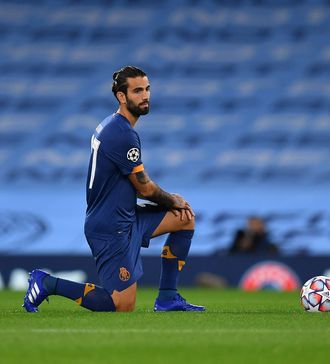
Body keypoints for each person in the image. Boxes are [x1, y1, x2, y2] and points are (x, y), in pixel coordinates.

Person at [23, 66, 204, 312]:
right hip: (110, 227)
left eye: (147, 89)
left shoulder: (113, 125)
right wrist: (172, 199)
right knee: (121, 304)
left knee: (184, 220)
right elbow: (145, 188)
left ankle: (168, 298)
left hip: (127, 216)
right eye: (137, 90)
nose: (145, 96)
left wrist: (169, 205)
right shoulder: (121, 134)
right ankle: (47, 282)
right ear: (121, 96)